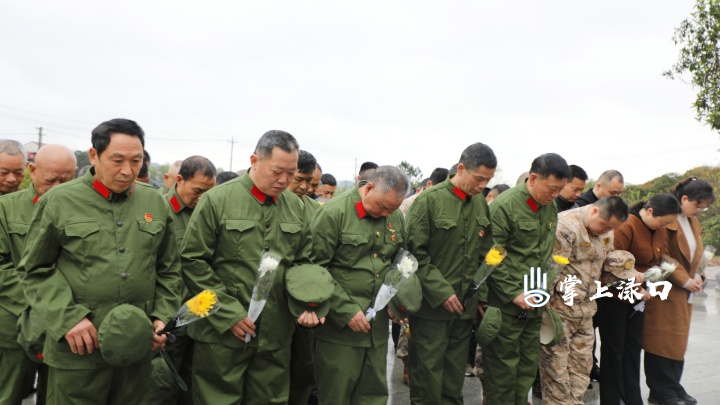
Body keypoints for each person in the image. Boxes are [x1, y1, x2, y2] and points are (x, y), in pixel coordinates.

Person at [20, 119, 183, 405]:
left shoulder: (155, 202)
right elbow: (35, 269)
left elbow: (169, 269)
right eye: (117, 160)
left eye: (136, 161)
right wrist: (69, 318)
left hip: (137, 347)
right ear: (94, 155)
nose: (127, 170)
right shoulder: (59, 200)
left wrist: (161, 318)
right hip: (78, 350)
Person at [181, 130, 322, 404]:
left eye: (290, 173)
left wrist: (309, 302)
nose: (284, 181)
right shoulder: (217, 200)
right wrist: (229, 314)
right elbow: (193, 261)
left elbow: (304, 262)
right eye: (277, 172)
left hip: (275, 334)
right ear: (255, 161)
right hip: (221, 333)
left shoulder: (296, 207)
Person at [404, 143, 497, 404]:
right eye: (479, 178)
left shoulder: (480, 205)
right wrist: (442, 291)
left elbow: (486, 255)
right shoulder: (429, 201)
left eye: (488, 180)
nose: (482, 186)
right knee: (427, 376)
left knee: (454, 378)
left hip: (464, 311)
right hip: (431, 310)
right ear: (461, 169)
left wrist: (482, 296)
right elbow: (413, 254)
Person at [311, 165, 410, 405]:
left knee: (373, 396)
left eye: (392, 209)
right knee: (336, 396)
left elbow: (400, 262)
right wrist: (344, 310)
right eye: (383, 207)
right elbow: (314, 270)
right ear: (369, 188)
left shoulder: (394, 215)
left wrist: (396, 302)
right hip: (340, 331)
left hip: (376, 331)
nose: (386, 214)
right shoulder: (334, 213)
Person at [482, 153, 571, 405]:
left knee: (526, 369)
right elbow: (491, 257)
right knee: (502, 373)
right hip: (506, 305)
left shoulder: (549, 206)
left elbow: (542, 253)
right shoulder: (504, 207)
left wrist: (542, 290)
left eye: (560, 190)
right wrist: (514, 292)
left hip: (534, 303)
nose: (556, 195)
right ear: (533, 179)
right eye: (552, 188)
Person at [0, 144, 77, 405]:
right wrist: (45, 301)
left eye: (65, 180)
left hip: (66, 326)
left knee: (56, 397)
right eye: (51, 179)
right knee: (8, 394)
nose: (57, 187)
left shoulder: (81, 211)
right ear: (32, 171)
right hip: (16, 323)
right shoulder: (5, 209)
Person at [538, 197, 631, 405]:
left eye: (611, 228)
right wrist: (545, 309)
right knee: (556, 372)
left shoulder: (606, 232)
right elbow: (550, 270)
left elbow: (605, 265)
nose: (606, 231)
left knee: (582, 369)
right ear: (595, 211)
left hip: (586, 311)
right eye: (604, 225)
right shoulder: (565, 227)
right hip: (560, 311)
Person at [597, 193, 682, 405]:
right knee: (614, 350)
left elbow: (657, 261)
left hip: (640, 297)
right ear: (650, 211)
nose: (665, 226)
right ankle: (611, 399)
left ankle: (633, 398)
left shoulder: (659, 229)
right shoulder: (627, 226)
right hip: (615, 296)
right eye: (664, 222)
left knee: (633, 349)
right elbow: (611, 265)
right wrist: (635, 288)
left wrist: (655, 280)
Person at [150, 155, 216, 404]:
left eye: (208, 192)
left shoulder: (209, 213)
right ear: (179, 180)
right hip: (168, 317)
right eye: (198, 190)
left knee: (193, 387)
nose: (202, 197)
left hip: (200, 315)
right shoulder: (158, 211)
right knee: (162, 385)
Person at [644, 179, 714, 405]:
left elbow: (695, 255)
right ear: (684, 199)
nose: (700, 210)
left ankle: (673, 385)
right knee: (661, 339)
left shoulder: (692, 221)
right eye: (698, 205)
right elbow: (662, 256)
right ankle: (660, 390)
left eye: (704, 208)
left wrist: (699, 274)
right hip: (666, 287)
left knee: (678, 340)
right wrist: (684, 280)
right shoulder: (667, 220)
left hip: (685, 290)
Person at [285, 149, 320, 405]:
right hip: (273, 305)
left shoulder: (316, 211)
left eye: (310, 182)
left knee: (303, 369)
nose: (305, 187)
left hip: (305, 306)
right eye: (299, 179)